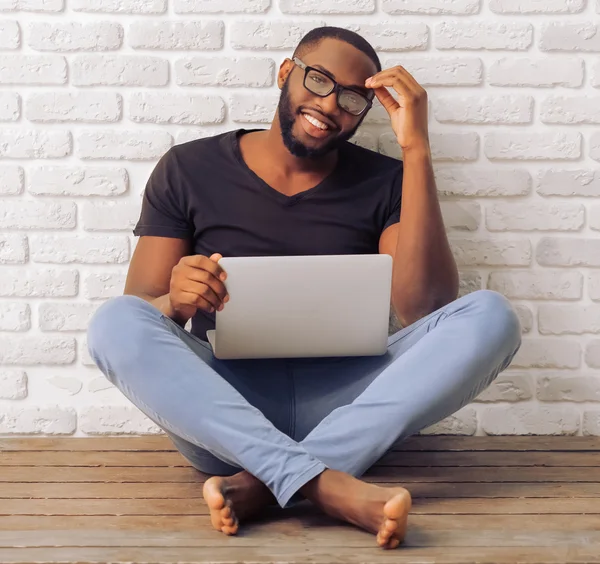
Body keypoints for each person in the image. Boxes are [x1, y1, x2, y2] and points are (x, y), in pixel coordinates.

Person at [87, 26, 522, 549]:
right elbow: (141, 317)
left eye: (352, 98)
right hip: (226, 411)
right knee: (114, 320)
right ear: (285, 72)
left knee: (491, 316)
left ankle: (266, 485)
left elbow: (423, 310)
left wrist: (417, 150)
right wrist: (174, 301)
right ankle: (325, 484)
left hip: (351, 407)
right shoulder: (189, 168)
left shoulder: (386, 180)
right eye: (318, 80)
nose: (330, 104)